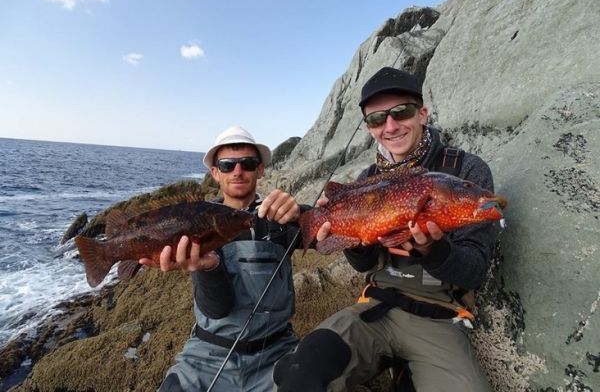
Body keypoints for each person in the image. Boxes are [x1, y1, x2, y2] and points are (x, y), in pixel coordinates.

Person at [273, 67, 498, 392]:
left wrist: (433, 249)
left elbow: (475, 271)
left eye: (401, 112)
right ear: (369, 127)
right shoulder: (366, 178)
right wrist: (352, 239)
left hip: (440, 317)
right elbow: (364, 265)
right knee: (299, 371)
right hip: (374, 308)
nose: (390, 126)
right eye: (377, 119)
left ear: (422, 113)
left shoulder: (466, 172)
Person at [139, 126, 305, 391]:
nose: (238, 171)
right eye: (227, 165)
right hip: (206, 355)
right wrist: (209, 268)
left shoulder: (282, 218)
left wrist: (299, 214)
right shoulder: (198, 224)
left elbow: (341, 238)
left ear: (260, 170)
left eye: (247, 164)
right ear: (215, 173)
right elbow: (217, 309)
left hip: (278, 353)